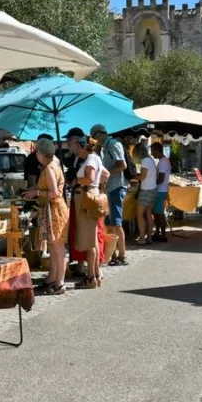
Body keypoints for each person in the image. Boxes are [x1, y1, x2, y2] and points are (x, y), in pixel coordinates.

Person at [24, 137, 69, 294]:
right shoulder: (53, 165)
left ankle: (60, 282)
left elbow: (54, 193)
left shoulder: (49, 168)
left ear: (40, 154)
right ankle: (54, 278)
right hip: (53, 209)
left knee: (57, 248)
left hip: (54, 210)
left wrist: (36, 192)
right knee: (54, 246)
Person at [91, 124, 129, 266]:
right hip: (110, 188)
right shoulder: (104, 147)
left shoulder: (113, 144)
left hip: (116, 186)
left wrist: (105, 175)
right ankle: (113, 254)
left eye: (94, 137)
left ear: (100, 134)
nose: (94, 140)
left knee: (116, 222)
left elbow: (122, 165)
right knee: (110, 222)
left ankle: (123, 255)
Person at [72, 135, 105, 289]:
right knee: (93, 238)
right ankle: (96, 274)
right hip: (92, 194)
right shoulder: (96, 158)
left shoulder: (90, 159)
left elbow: (90, 178)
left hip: (86, 196)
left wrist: (76, 181)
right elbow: (106, 174)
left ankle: (91, 277)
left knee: (88, 240)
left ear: (83, 146)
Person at [135, 143, 157, 245]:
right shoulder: (151, 159)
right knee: (148, 213)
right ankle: (149, 238)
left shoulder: (144, 161)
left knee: (140, 215)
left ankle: (142, 238)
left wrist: (133, 177)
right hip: (153, 189)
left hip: (146, 190)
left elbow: (143, 176)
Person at [151, 142, 171, 242]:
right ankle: (158, 232)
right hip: (161, 190)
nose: (152, 153)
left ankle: (163, 234)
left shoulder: (163, 162)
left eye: (153, 151)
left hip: (160, 190)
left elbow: (161, 178)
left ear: (157, 150)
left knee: (159, 213)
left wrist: (152, 184)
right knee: (156, 212)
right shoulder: (163, 161)